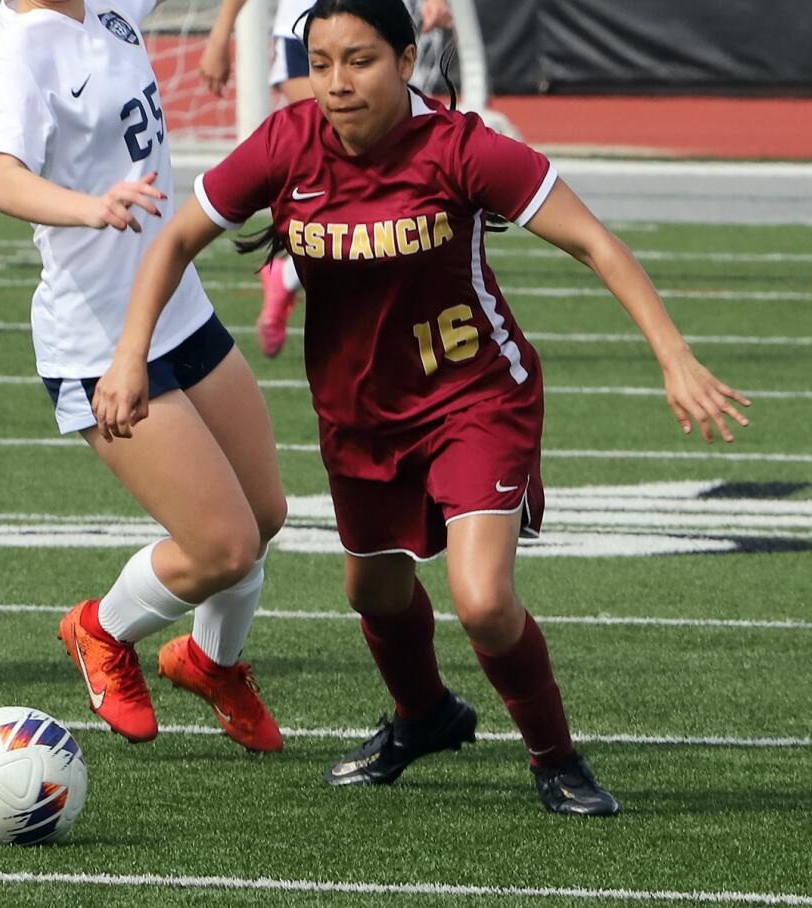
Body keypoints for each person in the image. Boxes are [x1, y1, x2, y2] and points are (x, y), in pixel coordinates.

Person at [95, 0, 752, 814]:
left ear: (408, 62)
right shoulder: (284, 143)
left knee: (481, 599)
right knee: (372, 593)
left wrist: (674, 355)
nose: (336, 82)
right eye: (323, 61)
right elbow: (172, 241)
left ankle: (557, 760)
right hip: (359, 414)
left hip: (476, 397)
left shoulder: (462, 148)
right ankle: (424, 715)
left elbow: (594, 242)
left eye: (361, 61)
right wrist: (129, 357)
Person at [0, 0, 287, 751]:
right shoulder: (17, 50)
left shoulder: (109, 6)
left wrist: (228, 28)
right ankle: (100, 630)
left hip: (180, 311)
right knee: (222, 547)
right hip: (96, 339)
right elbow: (2, 180)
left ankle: (210, 662)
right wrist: (90, 207)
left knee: (263, 515)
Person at [199, 0, 458, 358]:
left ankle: (287, 275)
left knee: (382, 192)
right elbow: (176, 242)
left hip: (375, 31)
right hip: (305, 32)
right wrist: (220, 32)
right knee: (345, 172)